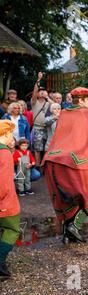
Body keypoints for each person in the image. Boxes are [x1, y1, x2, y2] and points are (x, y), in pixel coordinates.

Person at [42, 87, 88, 244]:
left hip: (56, 160)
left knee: (68, 199)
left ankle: (68, 234)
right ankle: (74, 225)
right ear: (80, 101)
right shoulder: (85, 113)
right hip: (78, 162)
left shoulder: (65, 113)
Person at [0, 120, 21, 280]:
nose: (13, 139)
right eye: (11, 135)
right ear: (4, 134)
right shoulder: (5, 153)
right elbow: (4, 183)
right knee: (12, 230)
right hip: (5, 203)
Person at [31, 72, 51, 167]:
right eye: (40, 91)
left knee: (47, 148)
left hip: (47, 128)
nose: (42, 92)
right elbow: (35, 92)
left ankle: (45, 166)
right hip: (38, 128)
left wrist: (47, 97)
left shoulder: (47, 103)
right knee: (38, 149)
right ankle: (38, 166)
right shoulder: (34, 102)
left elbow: (56, 106)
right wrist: (38, 80)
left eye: (44, 91)